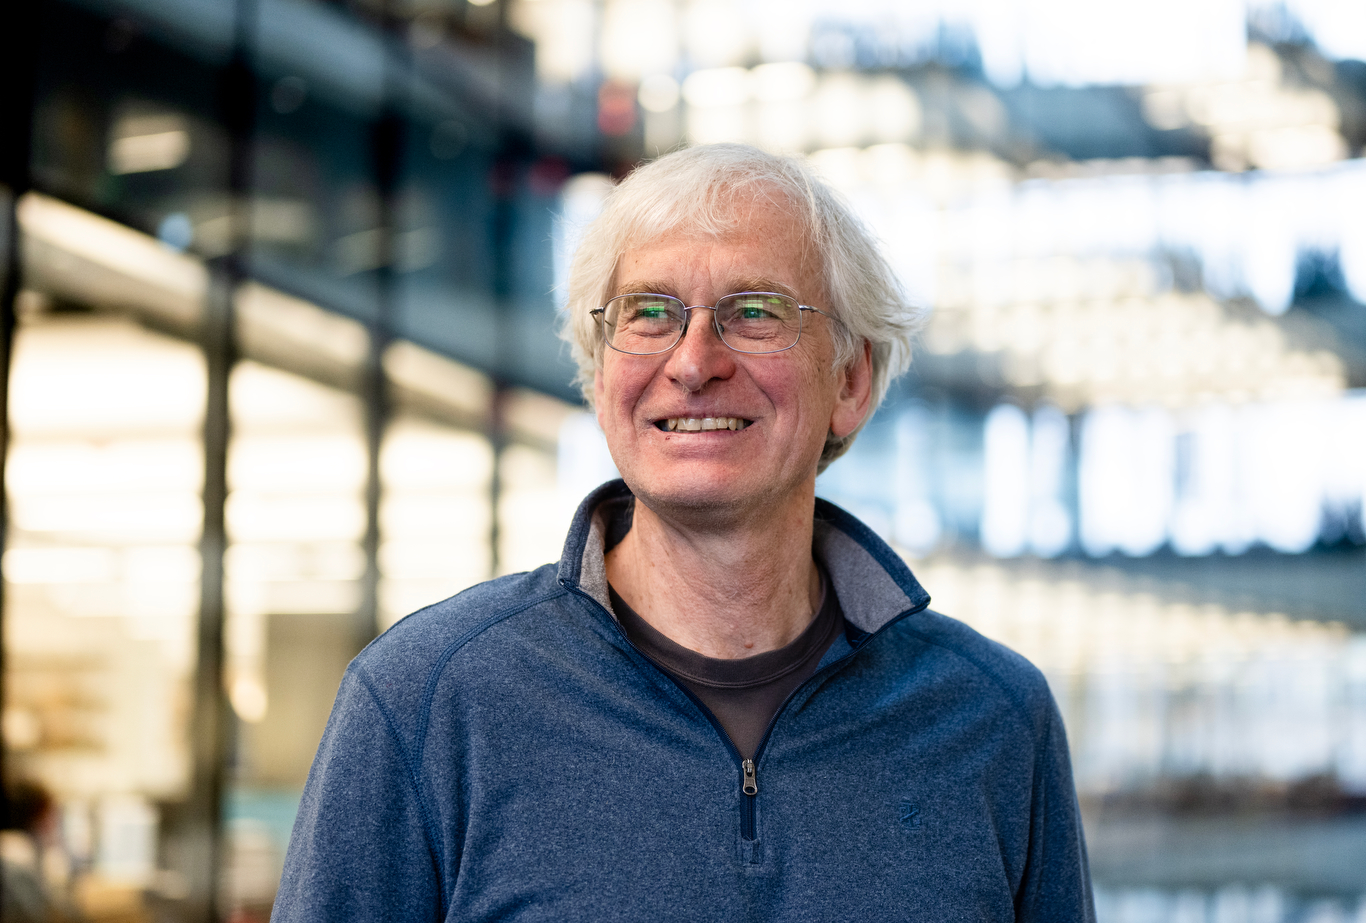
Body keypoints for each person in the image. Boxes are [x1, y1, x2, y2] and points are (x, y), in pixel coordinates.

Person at [272, 144, 1094, 922]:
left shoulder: (993, 718)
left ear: (850, 380)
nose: (695, 361)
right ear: (599, 380)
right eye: (651, 313)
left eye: (756, 312)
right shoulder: (425, 701)